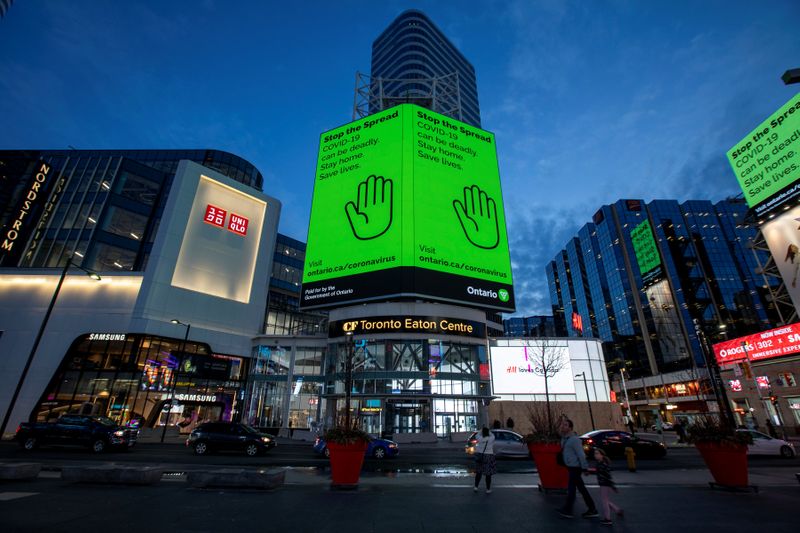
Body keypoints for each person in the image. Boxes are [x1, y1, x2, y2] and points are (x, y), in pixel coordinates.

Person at [558, 418, 598, 519]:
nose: (563, 426)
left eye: (565, 425)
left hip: (575, 467)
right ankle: (592, 509)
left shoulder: (575, 439)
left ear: (570, 428)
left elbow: (581, 455)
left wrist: (585, 468)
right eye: (562, 425)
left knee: (572, 489)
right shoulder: (564, 438)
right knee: (581, 488)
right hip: (570, 466)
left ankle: (568, 509)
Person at [591, 447, 623, 526]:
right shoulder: (599, 463)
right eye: (595, 453)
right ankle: (617, 510)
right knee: (605, 499)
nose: (595, 455)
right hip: (603, 483)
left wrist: (613, 486)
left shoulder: (603, 464)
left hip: (605, 484)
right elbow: (598, 471)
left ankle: (608, 519)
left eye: (597, 453)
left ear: (602, 455)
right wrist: (589, 471)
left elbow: (608, 476)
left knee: (604, 501)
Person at [473, 427, 496, 494]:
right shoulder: (491, 438)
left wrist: (481, 430)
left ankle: (476, 487)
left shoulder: (479, 438)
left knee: (478, 472)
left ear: (482, 433)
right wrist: (488, 431)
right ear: (488, 432)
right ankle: (488, 489)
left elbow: (477, 434)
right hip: (488, 456)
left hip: (480, 455)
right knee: (488, 474)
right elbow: (492, 435)